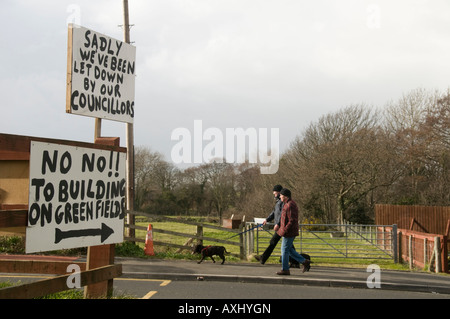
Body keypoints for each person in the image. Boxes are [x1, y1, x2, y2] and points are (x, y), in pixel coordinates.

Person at [276, 188, 310, 275]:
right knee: (289, 250)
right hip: (287, 231)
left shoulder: (290, 205)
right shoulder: (287, 204)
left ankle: (285, 269)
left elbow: (292, 220)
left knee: (284, 250)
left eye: (281, 195)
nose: (280, 196)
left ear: (285, 196)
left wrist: (285, 230)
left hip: (289, 232)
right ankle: (304, 261)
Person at [254, 185, 284, 265]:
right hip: (279, 226)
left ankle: (263, 258)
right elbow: (274, 213)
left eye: (275, 193)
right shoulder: (278, 202)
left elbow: (282, 215)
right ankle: (297, 261)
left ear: (279, 192)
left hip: (281, 226)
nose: (274, 195)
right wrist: (267, 219)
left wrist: (277, 224)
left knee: (273, 242)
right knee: (288, 246)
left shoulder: (282, 202)